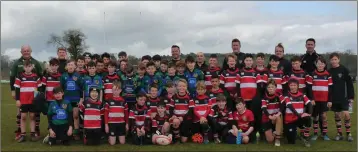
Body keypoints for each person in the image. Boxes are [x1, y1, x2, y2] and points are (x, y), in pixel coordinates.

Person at [11, 45, 43, 140]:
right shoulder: (17, 63)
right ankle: (20, 132)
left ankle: (35, 131)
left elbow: (41, 77)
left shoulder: (36, 63)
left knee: (34, 115)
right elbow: (12, 77)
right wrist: (13, 92)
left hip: (33, 98)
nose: (26, 52)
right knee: (22, 116)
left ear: (31, 51)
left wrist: (38, 96)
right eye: (24, 51)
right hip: (23, 98)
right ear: (21, 52)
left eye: (28, 50)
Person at [328, 52, 354, 142]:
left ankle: (349, 133)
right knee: (337, 115)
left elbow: (350, 84)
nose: (334, 61)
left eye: (335, 59)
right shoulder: (329, 71)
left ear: (339, 59)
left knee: (346, 114)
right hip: (334, 98)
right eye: (332, 59)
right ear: (330, 61)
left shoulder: (344, 70)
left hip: (345, 97)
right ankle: (339, 134)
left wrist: (351, 97)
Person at [283, 78, 313, 147]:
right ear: (289, 86)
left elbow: (309, 104)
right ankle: (295, 131)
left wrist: (309, 113)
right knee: (291, 142)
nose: (293, 87)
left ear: (298, 86)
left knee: (308, 118)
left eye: (294, 85)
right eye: (291, 85)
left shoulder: (302, 95)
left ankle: (306, 137)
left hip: (299, 119)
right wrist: (299, 115)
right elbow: (290, 106)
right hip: (289, 120)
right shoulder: (286, 95)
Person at [60, 60, 83, 140]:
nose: (70, 66)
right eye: (69, 64)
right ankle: (66, 132)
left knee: (75, 116)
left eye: (72, 65)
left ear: (75, 66)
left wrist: (81, 99)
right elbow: (61, 88)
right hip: (66, 100)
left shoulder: (78, 76)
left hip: (75, 99)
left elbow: (81, 88)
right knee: (65, 116)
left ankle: (76, 133)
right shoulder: (63, 76)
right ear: (66, 67)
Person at [310, 58, 332, 141]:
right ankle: (315, 134)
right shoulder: (312, 74)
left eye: (322, 64)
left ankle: (324, 134)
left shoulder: (328, 75)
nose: (320, 65)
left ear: (325, 65)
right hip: (315, 100)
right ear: (316, 64)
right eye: (318, 63)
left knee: (324, 117)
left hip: (324, 100)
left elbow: (330, 89)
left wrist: (330, 100)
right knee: (315, 117)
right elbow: (309, 87)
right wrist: (311, 98)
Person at [168, 79, 194, 143]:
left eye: (183, 86)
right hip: (176, 118)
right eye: (180, 86)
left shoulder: (189, 97)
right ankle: (176, 137)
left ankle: (184, 134)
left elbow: (191, 111)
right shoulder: (174, 97)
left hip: (186, 118)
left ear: (186, 87)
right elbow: (170, 108)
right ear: (177, 87)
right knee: (175, 121)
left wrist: (183, 118)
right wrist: (173, 115)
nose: (182, 88)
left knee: (184, 141)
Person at [261, 79, 284, 146]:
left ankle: (277, 138)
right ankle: (276, 132)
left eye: (272, 87)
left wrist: (279, 113)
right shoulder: (264, 97)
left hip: (276, 116)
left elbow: (283, 104)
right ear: (267, 88)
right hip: (267, 118)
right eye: (269, 87)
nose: (270, 88)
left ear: (276, 88)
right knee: (270, 140)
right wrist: (269, 116)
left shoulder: (279, 95)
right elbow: (264, 108)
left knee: (278, 117)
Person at [104, 81, 128, 145]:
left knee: (122, 142)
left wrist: (127, 124)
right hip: (112, 123)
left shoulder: (123, 101)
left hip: (121, 123)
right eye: (114, 90)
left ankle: (117, 136)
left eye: (117, 90)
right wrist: (106, 125)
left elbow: (126, 114)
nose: (116, 91)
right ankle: (110, 137)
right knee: (112, 143)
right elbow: (106, 114)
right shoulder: (108, 101)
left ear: (120, 90)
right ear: (112, 90)